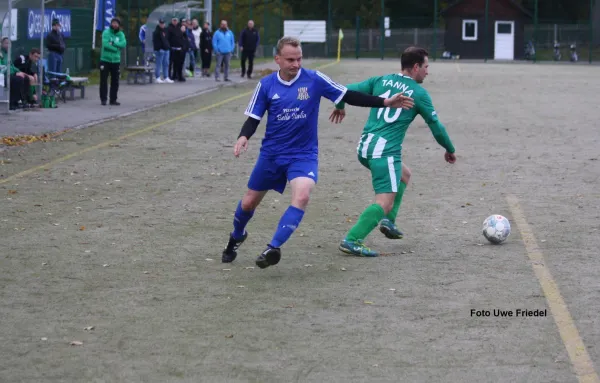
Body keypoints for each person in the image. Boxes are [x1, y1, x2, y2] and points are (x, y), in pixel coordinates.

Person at [221, 36, 414, 269]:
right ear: (278, 60)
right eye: (290, 60)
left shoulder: (314, 79)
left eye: (299, 59)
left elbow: (348, 95)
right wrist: (243, 136)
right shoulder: (266, 85)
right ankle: (237, 235)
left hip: (303, 155)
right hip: (271, 155)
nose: (296, 64)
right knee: (249, 203)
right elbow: (254, 117)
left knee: (302, 196)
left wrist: (384, 102)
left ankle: (273, 247)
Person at [329, 47, 457, 257]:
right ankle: (353, 239)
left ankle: (389, 221)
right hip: (384, 152)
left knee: (404, 174)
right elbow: (436, 127)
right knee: (384, 201)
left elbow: (343, 90)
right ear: (416, 67)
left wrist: (340, 105)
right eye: (426, 67)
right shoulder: (418, 93)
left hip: (365, 147)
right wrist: (449, 149)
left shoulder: (380, 80)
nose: (427, 72)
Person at [99, 17, 126, 106]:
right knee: (103, 80)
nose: (114, 24)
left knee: (115, 81)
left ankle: (113, 99)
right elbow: (106, 44)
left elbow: (123, 44)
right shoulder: (106, 33)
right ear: (111, 24)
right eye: (113, 23)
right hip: (105, 60)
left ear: (118, 25)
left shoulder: (121, 34)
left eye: (116, 23)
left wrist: (113, 43)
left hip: (116, 61)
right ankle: (103, 99)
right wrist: (116, 49)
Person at [1, 37, 31, 110]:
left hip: (9, 74)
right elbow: (4, 67)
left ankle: (22, 101)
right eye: (6, 43)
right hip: (2, 76)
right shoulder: (1, 54)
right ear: (1, 44)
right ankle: (12, 103)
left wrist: (20, 72)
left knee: (26, 78)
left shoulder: (8, 54)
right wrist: (15, 73)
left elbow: (12, 66)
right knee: (17, 79)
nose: (8, 45)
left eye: (9, 43)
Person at [152, 19, 173, 83]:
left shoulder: (166, 30)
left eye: (163, 23)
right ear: (159, 24)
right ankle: (157, 77)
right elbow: (155, 42)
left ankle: (166, 77)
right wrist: (158, 49)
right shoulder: (156, 32)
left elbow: (167, 39)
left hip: (166, 49)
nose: (162, 24)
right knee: (159, 64)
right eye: (161, 23)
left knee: (166, 64)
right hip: (160, 50)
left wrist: (168, 47)